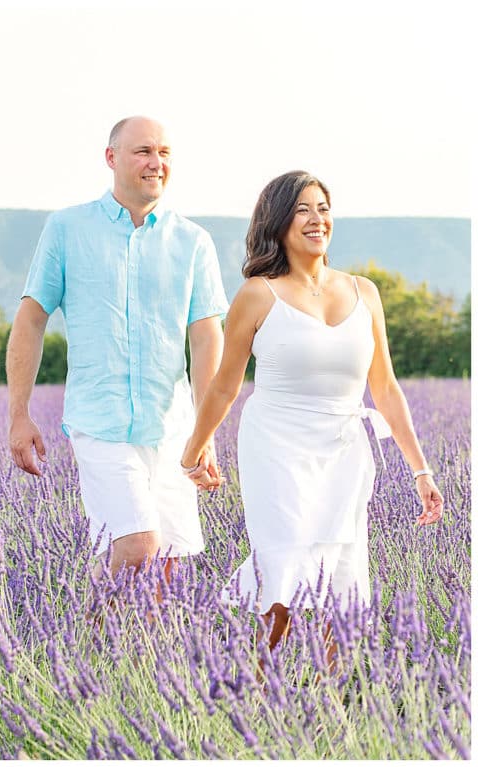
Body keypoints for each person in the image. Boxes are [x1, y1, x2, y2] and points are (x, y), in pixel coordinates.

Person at [180, 170, 444, 657]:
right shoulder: (258, 294)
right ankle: (259, 692)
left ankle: (329, 696)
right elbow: (224, 386)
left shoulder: (364, 291)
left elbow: (384, 388)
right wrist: (193, 451)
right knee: (284, 561)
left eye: (323, 208)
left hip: (343, 450)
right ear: (278, 222)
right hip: (276, 447)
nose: (316, 219)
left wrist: (420, 469)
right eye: (302, 209)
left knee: (339, 574)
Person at [7, 115, 229, 581]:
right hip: (100, 421)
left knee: (168, 570)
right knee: (137, 546)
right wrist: (18, 413)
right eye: (144, 152)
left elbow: (207, 338)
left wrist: (204, 433)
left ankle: (109, 650)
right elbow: (30, 319)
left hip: (172, 429)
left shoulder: (193, 242)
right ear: (111, 158)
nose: (157, 163)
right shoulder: (67, 228)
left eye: (165, 153)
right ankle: (90, 643)